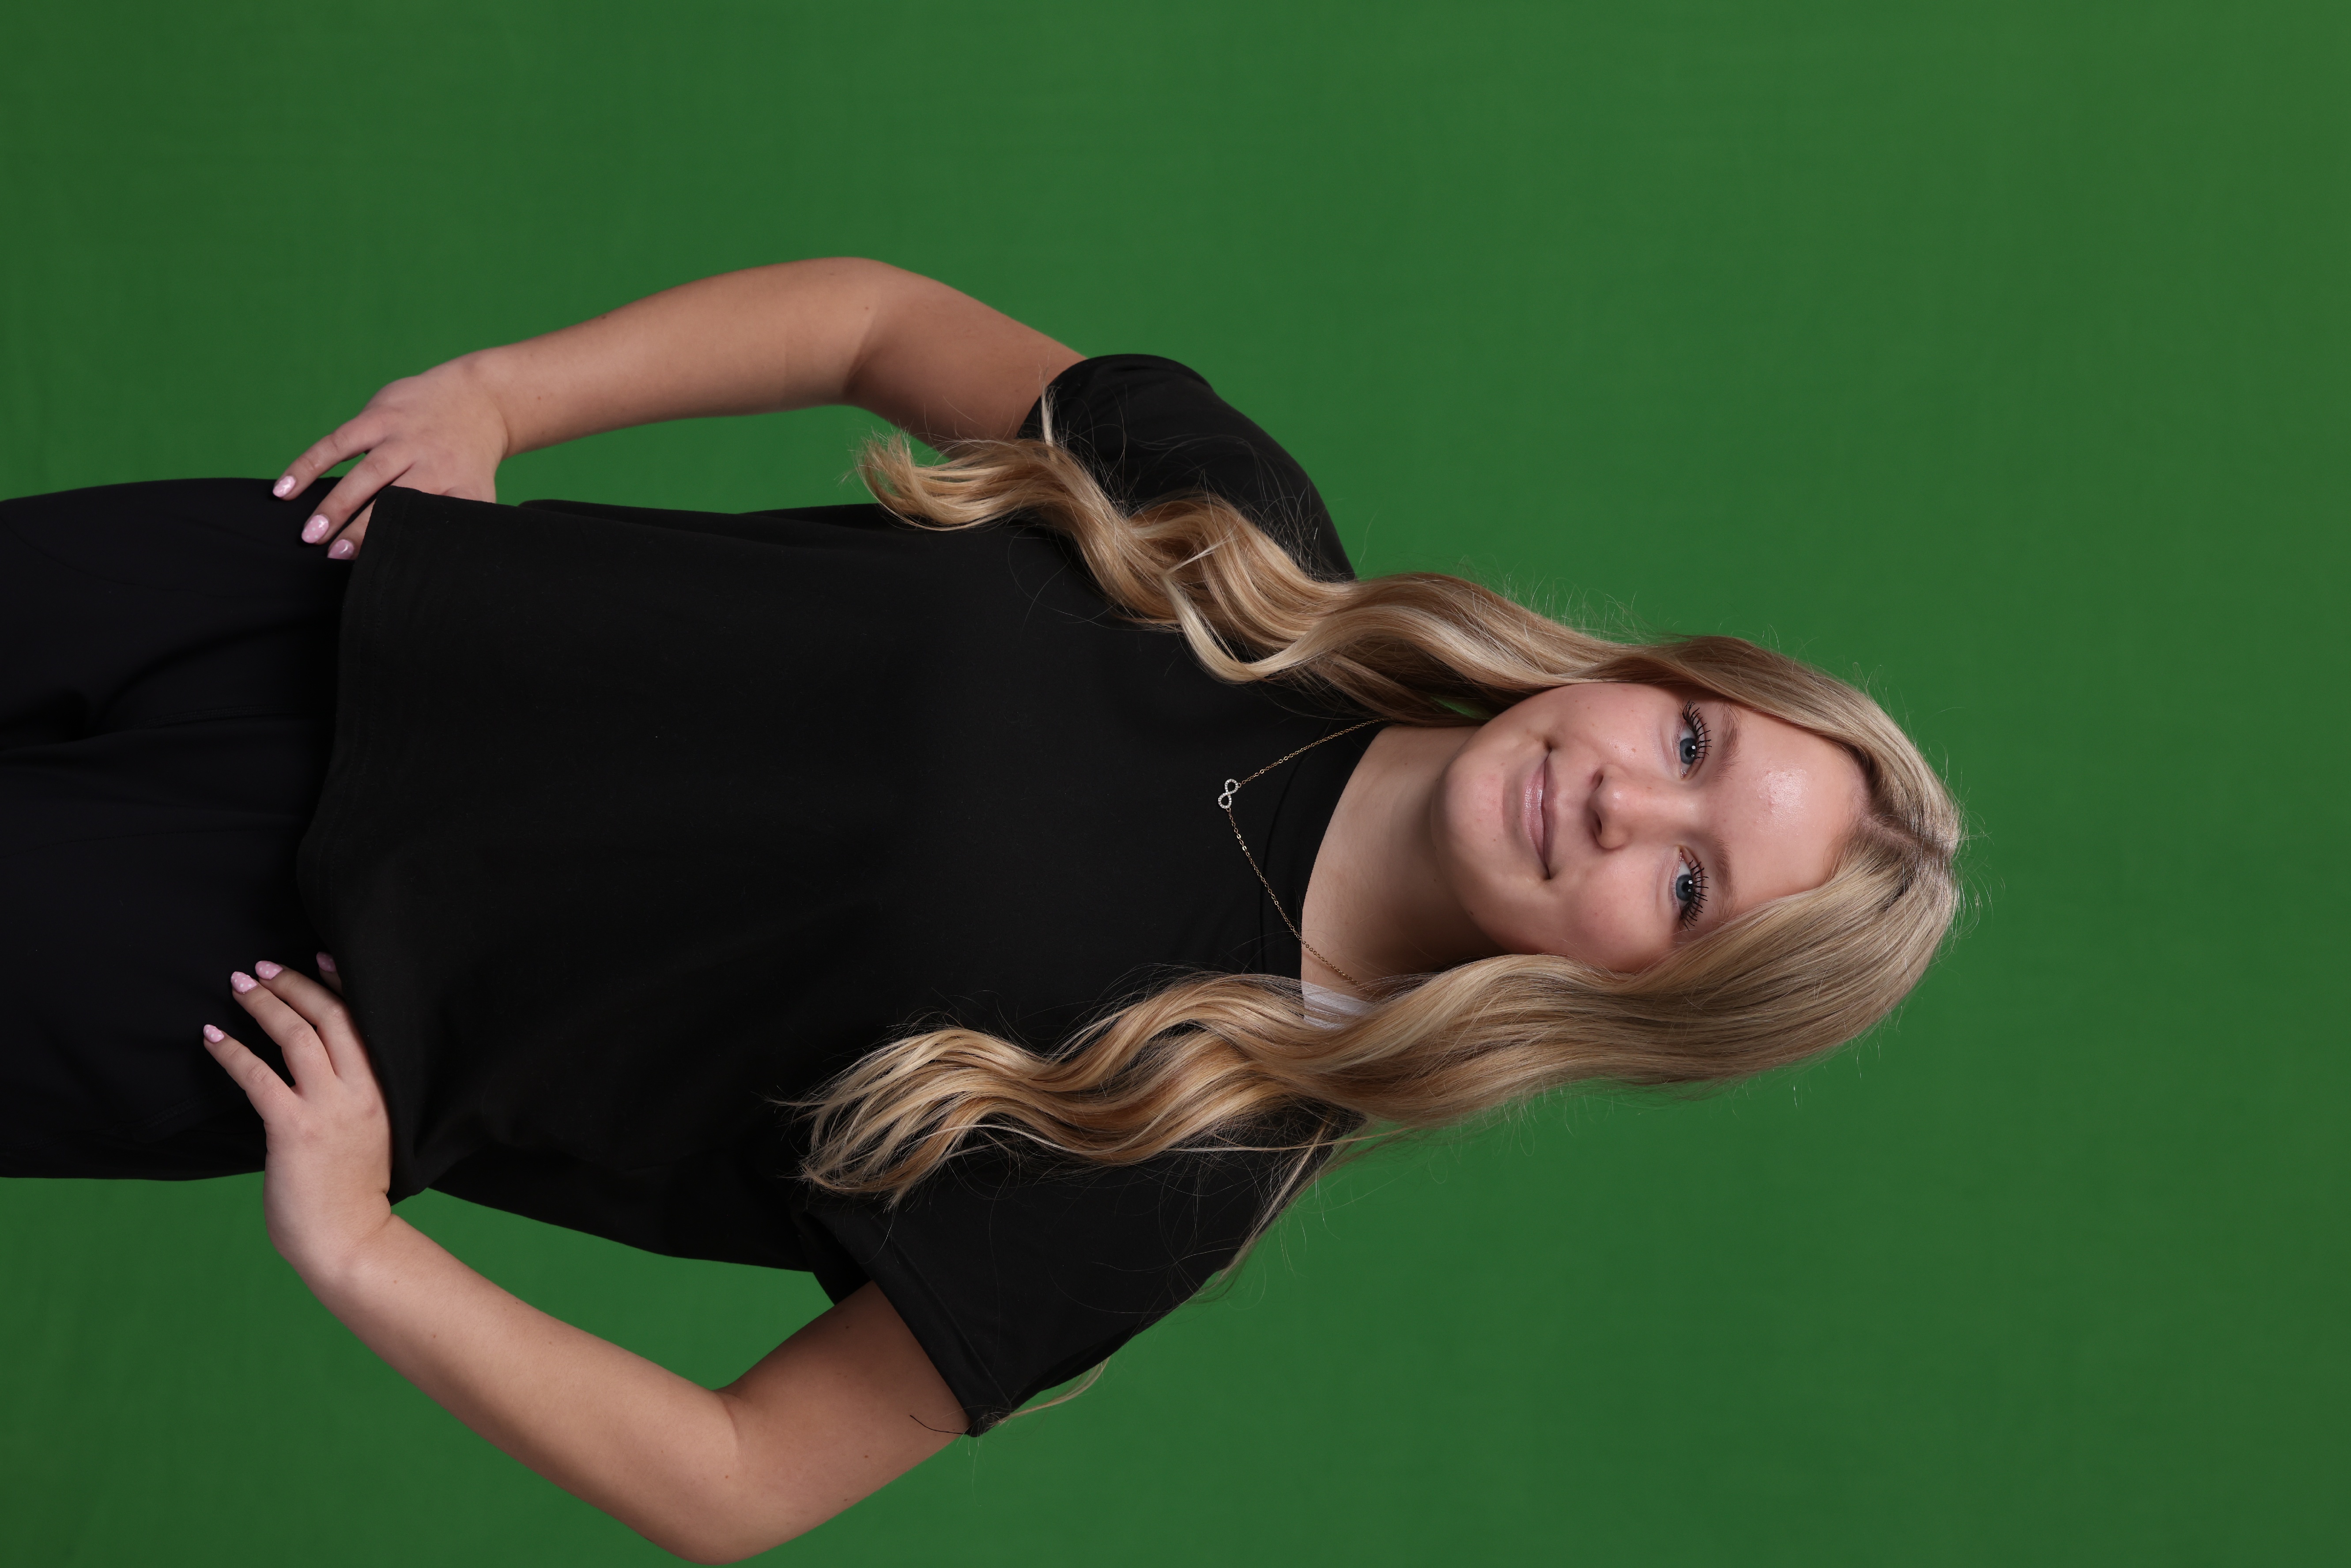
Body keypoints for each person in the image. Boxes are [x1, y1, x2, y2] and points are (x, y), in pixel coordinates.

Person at [0, 258, 1962, 1561]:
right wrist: (503, 395)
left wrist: (356, 1247)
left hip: (241, 963)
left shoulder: (1184, 1141)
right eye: (1691, 742)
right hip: (299, 596)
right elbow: (873, 319)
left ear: (1646, 1003)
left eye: (1687, 883)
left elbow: (740, 1482)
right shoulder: (1231, 538)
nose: (1622, 800)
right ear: (1653, 675)